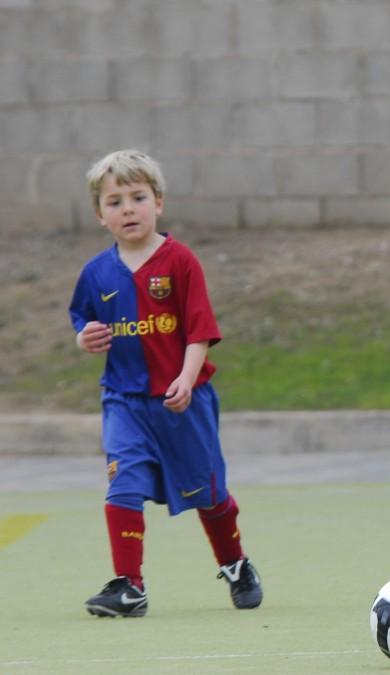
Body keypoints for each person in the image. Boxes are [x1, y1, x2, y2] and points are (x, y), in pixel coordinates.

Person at [69, 149, 262, 618]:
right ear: (100, 215)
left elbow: (200, 330)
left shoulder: (180, 261)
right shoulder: (96, 273)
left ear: (158, 202)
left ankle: (235, 564)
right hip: (124, 401)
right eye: (115, 201)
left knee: (208, 493)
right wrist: (84, 337)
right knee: (122, 485)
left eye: (138, 197)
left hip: (182, 401)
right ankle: (129, 586)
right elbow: (84, 320)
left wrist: (185, 379)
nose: (128, 209)